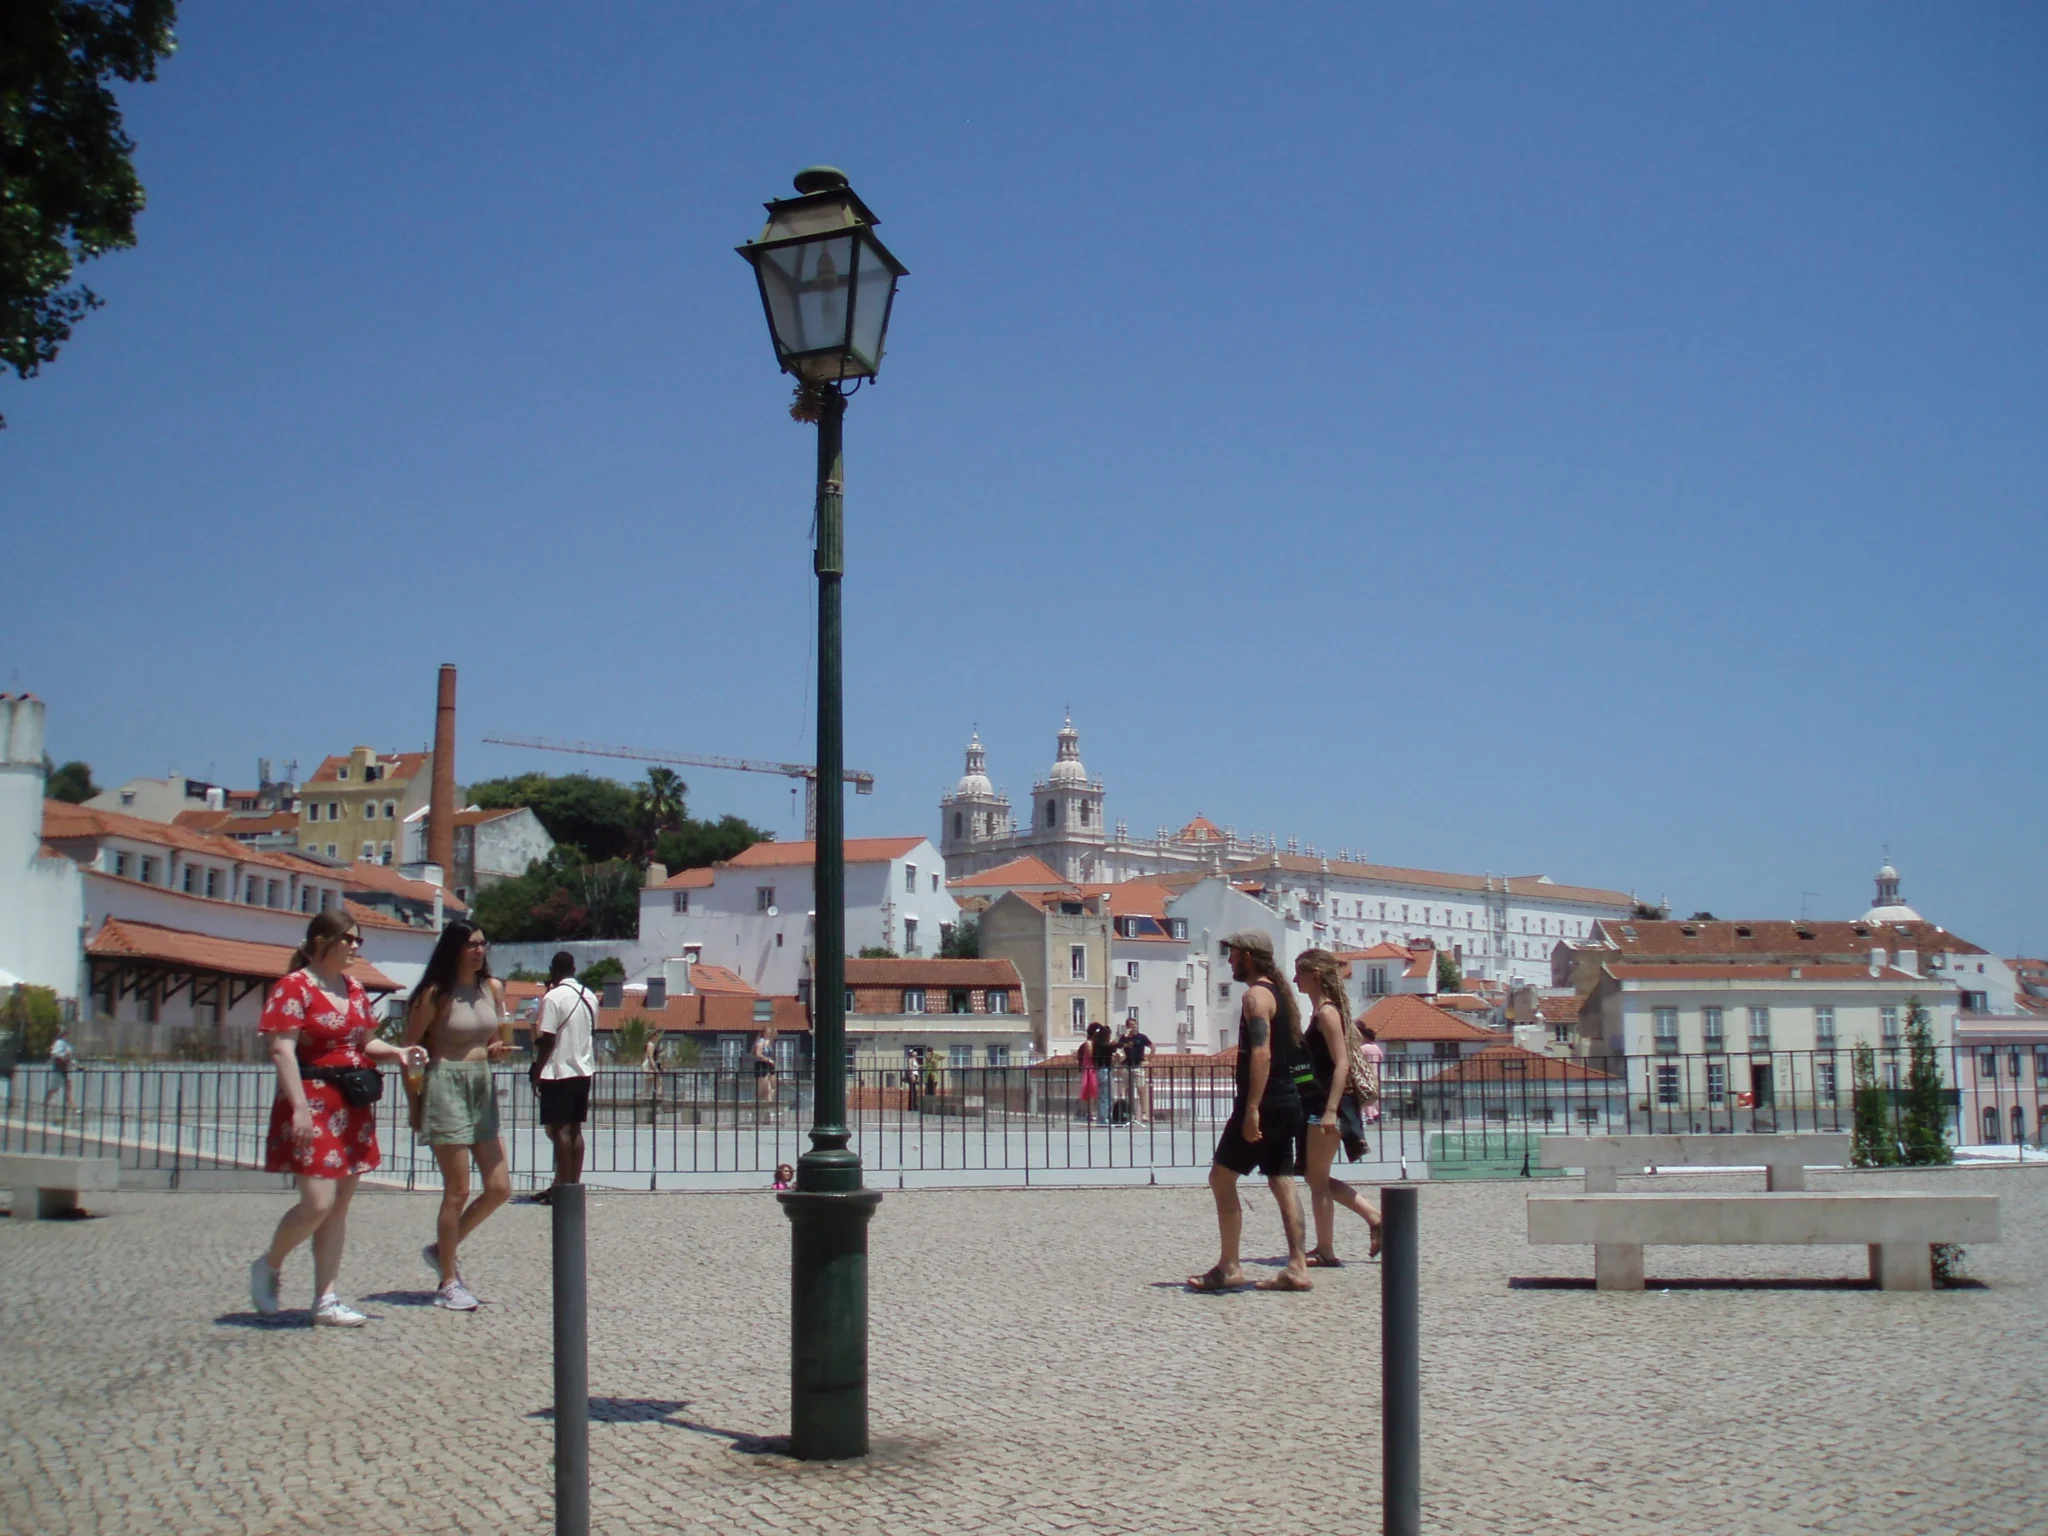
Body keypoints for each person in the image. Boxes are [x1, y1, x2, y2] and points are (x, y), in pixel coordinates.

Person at [248, 912, 428, 1326]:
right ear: (320, 941)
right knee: (318, 1202)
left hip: (351, 1103)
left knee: (339, 1206)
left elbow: (366, 1042)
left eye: (357, 941)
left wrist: (399, 1052)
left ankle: (325, 1298)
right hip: (311, 1100)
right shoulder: (294, 987)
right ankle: (270, 1263)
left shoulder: (355, 990)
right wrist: (296, 1107)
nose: (354, 947)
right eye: (346, 939)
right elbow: (282, 1050)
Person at [1189, 930, 1311, 1293]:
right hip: (1288, 1099)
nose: (1229, 960)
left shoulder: (1255, 997)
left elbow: (1261, 1053)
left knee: (1221, 1177)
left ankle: (1229, 1266)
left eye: (1233, 955)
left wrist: (1252, 1109)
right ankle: (1297, 1267)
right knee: (1281, 1178)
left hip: (1266, 1102)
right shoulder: (1280, 996)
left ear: (1248, 956)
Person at [402, 919, 513, 1311]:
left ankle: (441, 1249)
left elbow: (492, 1035)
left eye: (483, 943)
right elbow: (410, 1050)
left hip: (481, 1084)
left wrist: (496, 1049)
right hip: (444, 1083)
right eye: (471, 945)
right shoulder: (435, 993)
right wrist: (415, 1103)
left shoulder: (491, 988)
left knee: (499, 1187)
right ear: (454, 949)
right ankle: (448, 1280)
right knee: (458, 1189)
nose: (479, 951)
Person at [1294, 948, 1383, 1264]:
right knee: (1315, 1177)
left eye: (1299, 973)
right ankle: (1371, 1218)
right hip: (1321, 1103)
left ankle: (1328, 1247)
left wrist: (1330, 1110)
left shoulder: (1327, 1014)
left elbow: (1341, 1063)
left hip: (1328, 1104)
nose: (1295, 979)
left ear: (1314, 976)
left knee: (1317, 1179)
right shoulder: (1323, 1013)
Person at [528, 951, 597, 1205]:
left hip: (558, 1071)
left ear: (553, 970)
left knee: (559, 1131)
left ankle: (562, 1190)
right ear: (574, 968)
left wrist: (536, 1071)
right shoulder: (590, 997)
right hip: (583, 1070)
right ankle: (573, 1186)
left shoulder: (553, 997)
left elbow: (547, 1040)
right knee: (576, 1130)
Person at [1117, 1018, 1154, 1126]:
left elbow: (1153, 1047)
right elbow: (1118, 1047)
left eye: (1134, 1025)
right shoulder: (1124, 1038)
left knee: (1141, 1090)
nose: (1133, 1027)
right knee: (1127, 1091)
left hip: (1138, 1066)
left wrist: (1148, 1061)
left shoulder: (1141, 1037)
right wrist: (1125, 1036)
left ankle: (1143, 1113)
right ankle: (1129, 1113)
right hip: (1126, 1066)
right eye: (1130, 1025)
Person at [1089, 1021, 1118, 1126]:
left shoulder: (1097, 1044)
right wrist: (1123, 1037)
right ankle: (1103, 1119)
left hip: (1103, 1070)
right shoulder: (1102, 1046)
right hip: (1104, 1070)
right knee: (1105, 1096)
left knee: (1107, 1096)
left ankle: (1105, 1117)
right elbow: (1115, 1046)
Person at [43, 1023, 74, 1115]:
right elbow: (54, 1053)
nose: (66, 1034)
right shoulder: (59, 1043)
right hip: (58, 1069)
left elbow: (69, 1057)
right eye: (65, 1033)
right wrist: (63, 1056)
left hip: (64, 1069)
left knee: (68, 1087)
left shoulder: (66, 1044)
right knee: (54, 1089)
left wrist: (75, 1064)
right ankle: (45, 1103)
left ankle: (72, 1107)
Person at [1358, 1025, 1386, 1124]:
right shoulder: (1376, 1047)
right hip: (1376, 1073)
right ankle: (1376, 1112)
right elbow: (1381, 1057)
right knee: (1375, 1095)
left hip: (1366, 1073)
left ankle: (1369, 1115)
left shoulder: (1363, 1048)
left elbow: (1358, 1058)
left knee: (1366, 1094)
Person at [753, 1030, 778, 1107]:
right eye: (769, 1032)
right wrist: (768, 1060)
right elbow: (758, 1054)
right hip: (761, 1065)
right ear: (764, 1033)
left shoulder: (769, 1042)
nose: (771, 1034)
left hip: (769, 1065)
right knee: (763, 1089)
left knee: (773, 1087)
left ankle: (769, 1107)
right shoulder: (761, 1042)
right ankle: (756, 1106)